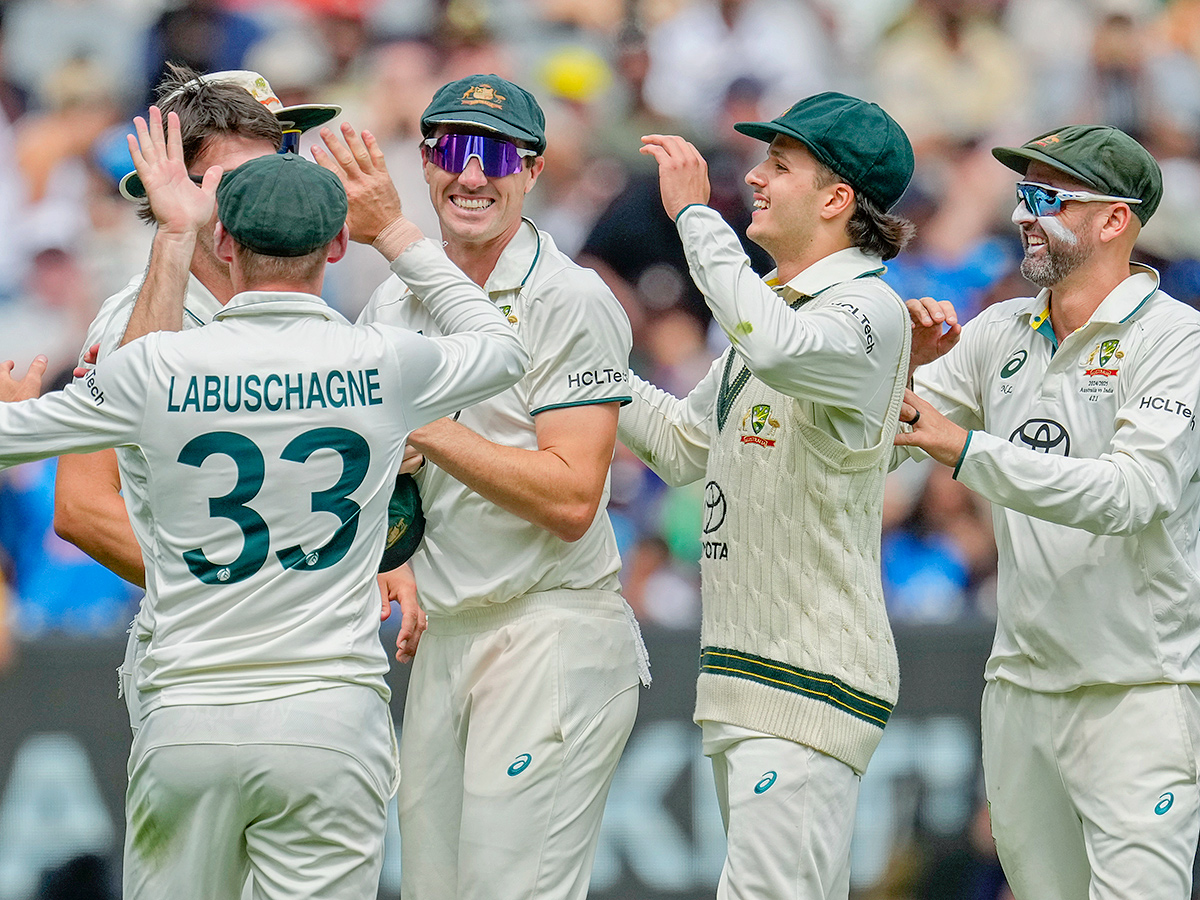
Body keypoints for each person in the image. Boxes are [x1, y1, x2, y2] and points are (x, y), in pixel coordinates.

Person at [0, 105, 528, 899]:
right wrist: (398, 238)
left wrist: (14, 412)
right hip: (329, 711)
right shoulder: (379, 358)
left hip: (192, 706)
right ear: (336, 244)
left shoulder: (158, 365)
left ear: (225, 239)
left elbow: (68, 417)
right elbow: (502, 348)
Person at [344, 74, 648, 900]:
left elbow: (572, 497)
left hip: (548, 628)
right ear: (426, 159)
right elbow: (386, 476)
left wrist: (426, 428)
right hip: (445, 636)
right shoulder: (391, 302)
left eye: (494, 154)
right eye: (452, 150)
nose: (471, 175)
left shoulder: (570, 298)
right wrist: (392, 557)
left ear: (534, 169)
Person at [616, 92, 915, 899]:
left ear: (836, 199)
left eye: (778, 166)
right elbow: (683, 444)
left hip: (808, 679)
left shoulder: (868, 310)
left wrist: (692, 218)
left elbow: (779, 351)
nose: (752, 178)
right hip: (750, 679)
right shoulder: (781, 309)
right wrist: (587, 364)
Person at [896, 125, 1200, 900]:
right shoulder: (1000, 330)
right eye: (1022, 196)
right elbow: (885, 438)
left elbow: (1130, 495)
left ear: (1115, 221)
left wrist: (965, 451)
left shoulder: (1179, 341)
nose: (1024, 215)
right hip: (1022, 695)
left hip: (1141, 693)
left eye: (1048, 198)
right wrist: (897, 361)